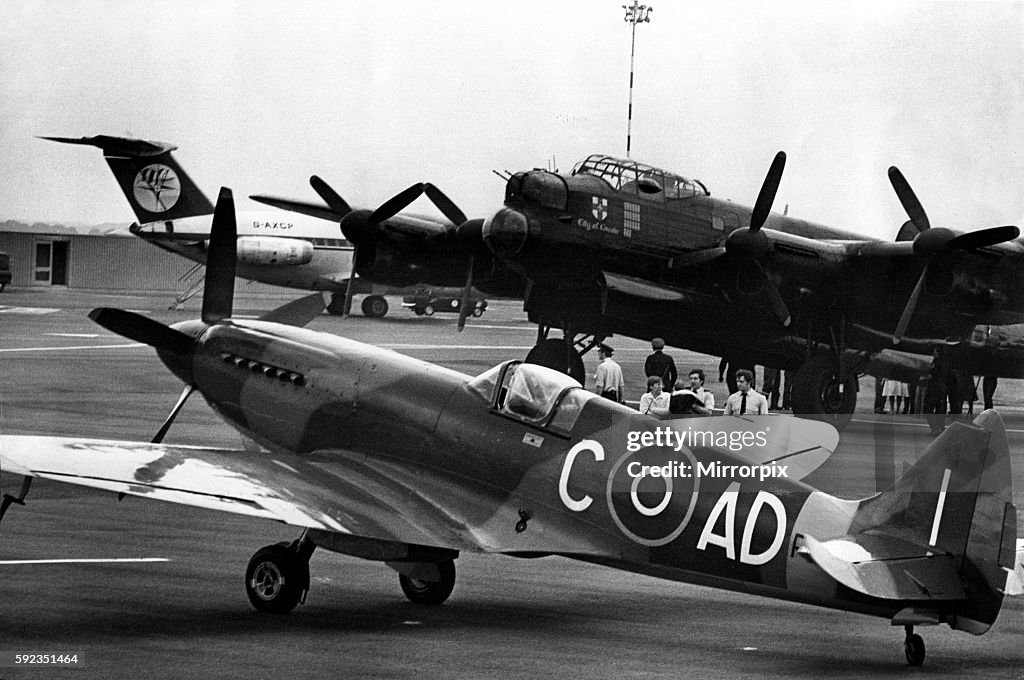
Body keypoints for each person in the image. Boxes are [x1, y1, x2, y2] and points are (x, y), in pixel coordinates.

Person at [923, 347, 949, 436]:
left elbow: (932, 375)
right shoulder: (945, 362)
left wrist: (923, 377)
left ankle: (935, 428)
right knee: (940, 408)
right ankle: (941, 428)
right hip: (942, 387)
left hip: (934, 387)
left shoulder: (937, 362)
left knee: (928, 408)